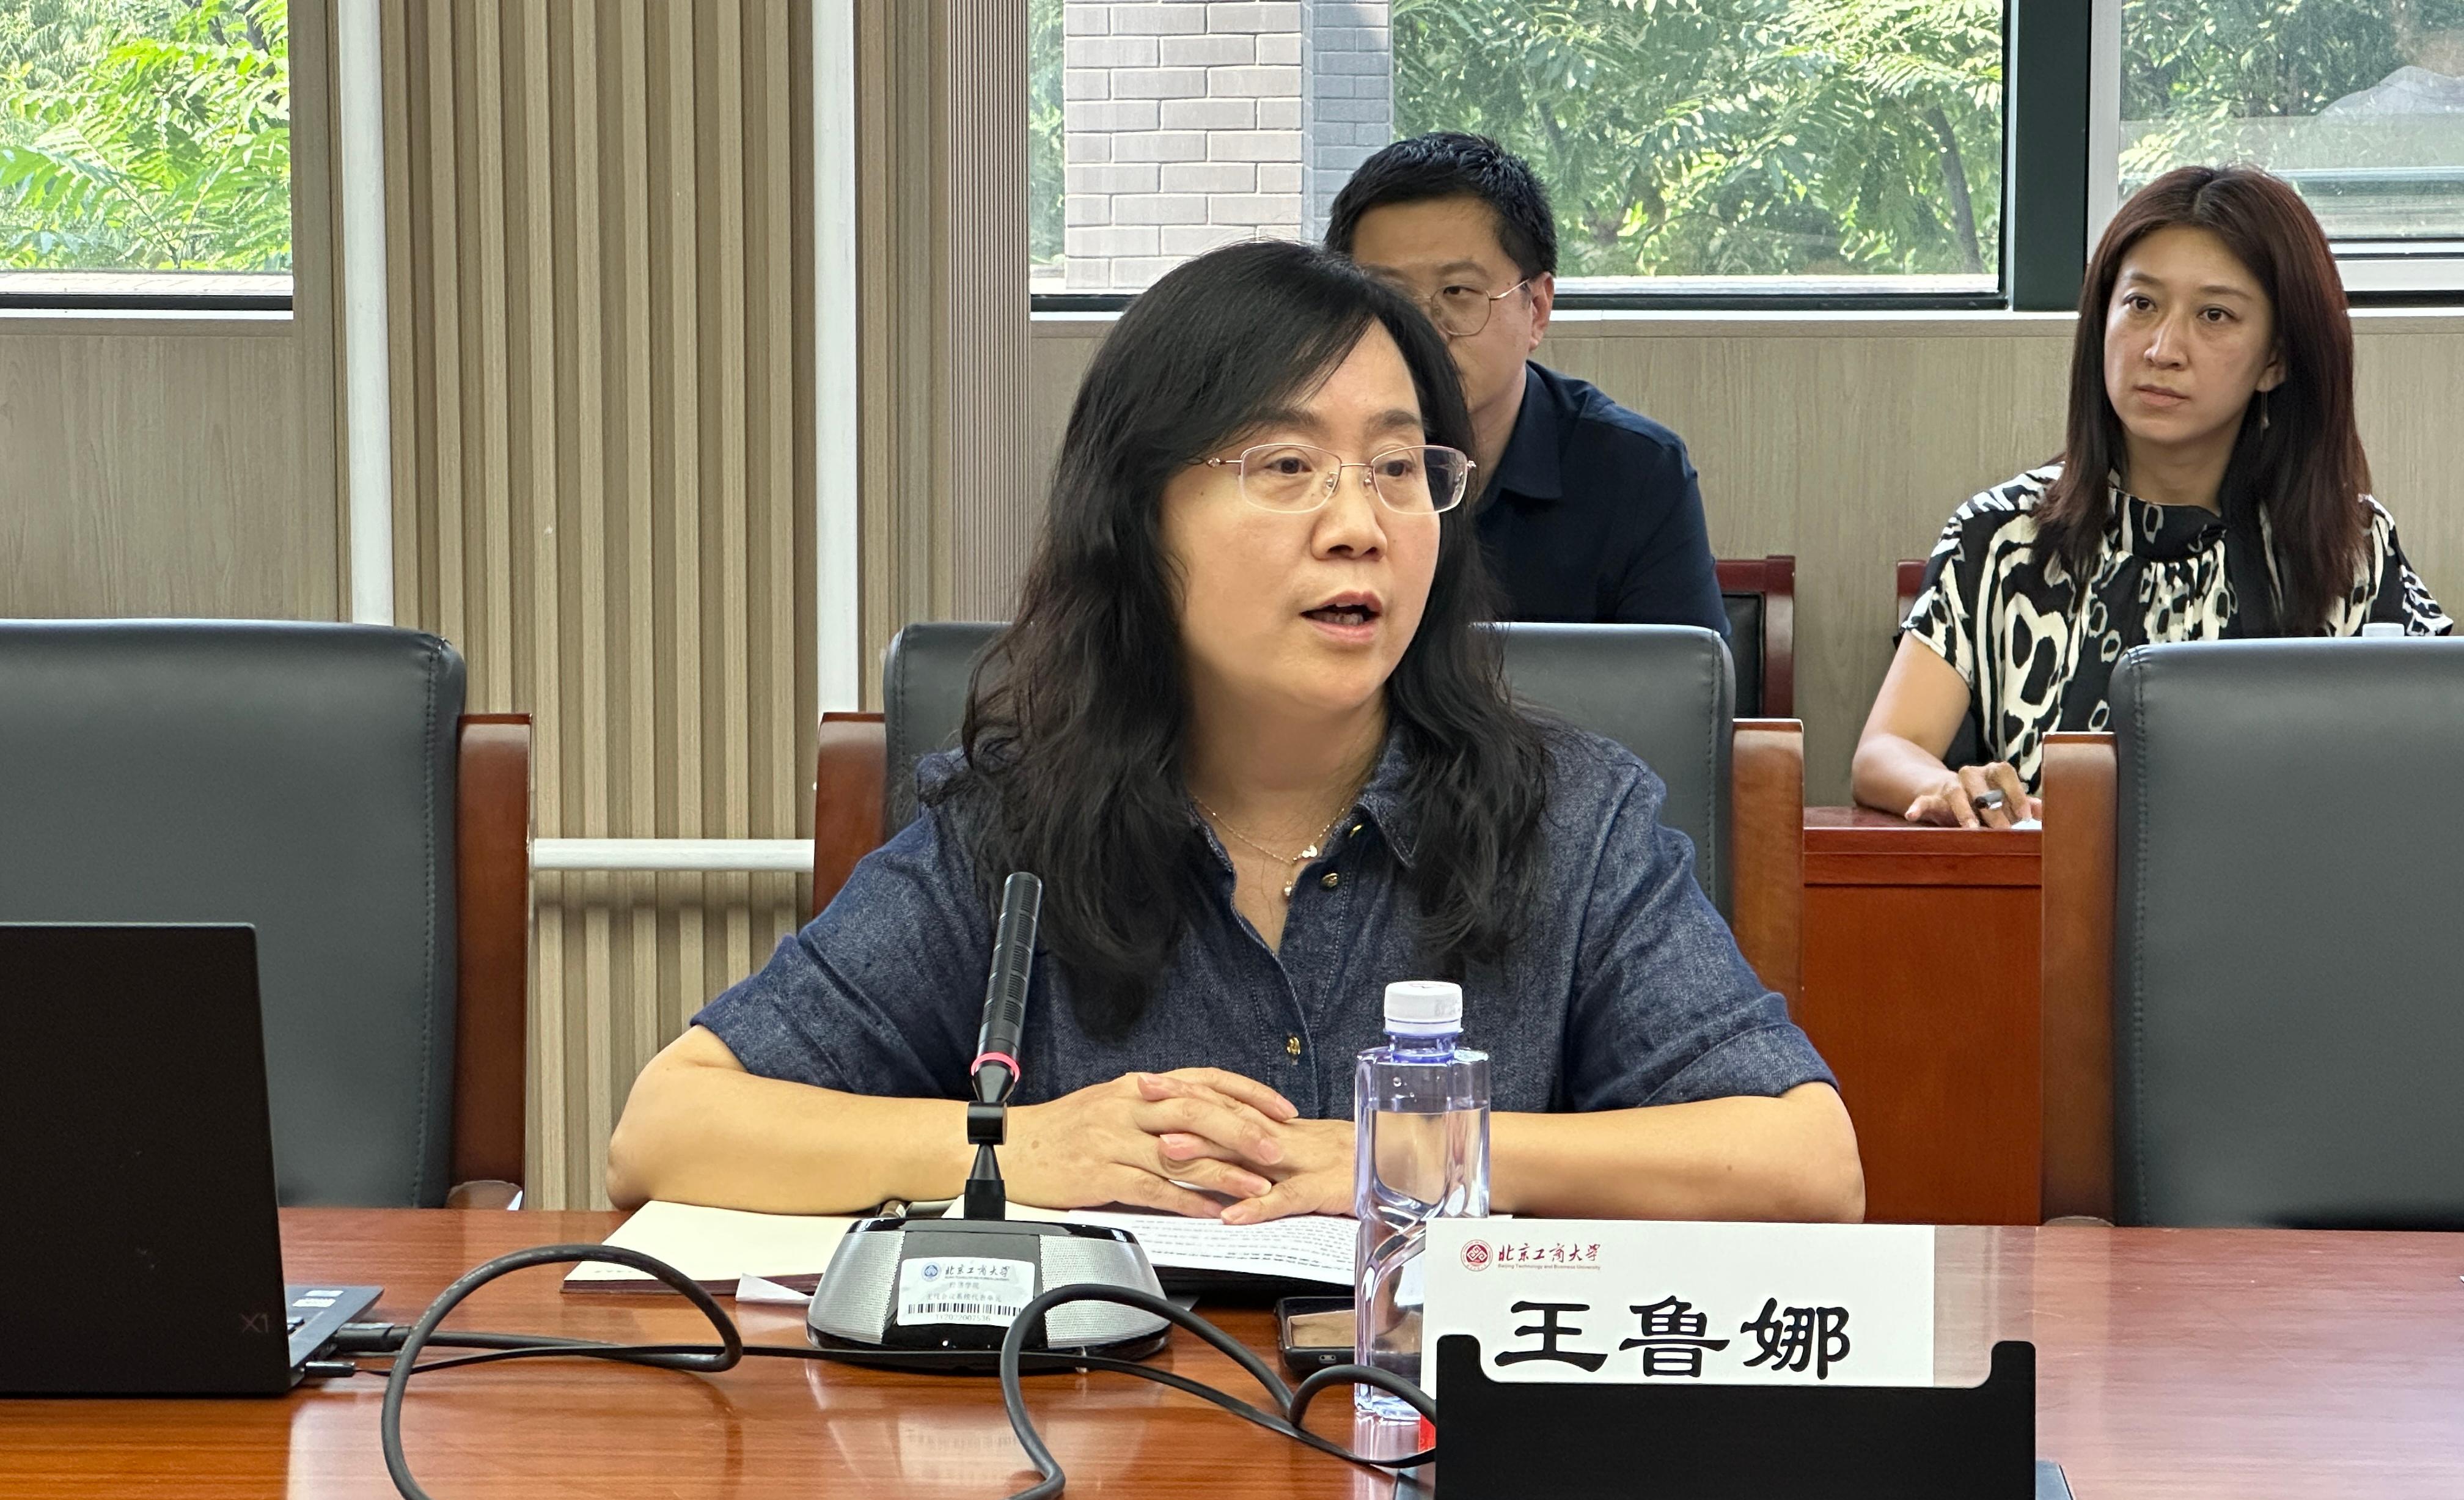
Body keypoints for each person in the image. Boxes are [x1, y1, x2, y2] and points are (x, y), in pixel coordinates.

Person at [609, 241, 1859, 1226]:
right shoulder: (1014, 828)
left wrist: (1404, 1153)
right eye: (1286, 465)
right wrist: (1017, 1143)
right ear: (1138, 516)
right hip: (1100, 1446)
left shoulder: (1568, 817)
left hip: (1438, 1443)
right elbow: (667, 1127)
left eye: (1397, 468)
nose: (1359, 524)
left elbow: (1803, 1160)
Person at [1855, 165, 2451, 828]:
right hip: (2046, 893)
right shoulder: (2001, 536)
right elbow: (1886, 749)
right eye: (2141, 305)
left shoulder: (2347, 544)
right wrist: (1949, 787)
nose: (2163, 349)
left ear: (2276, 359)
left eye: (2215, 315)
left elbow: (2438, 748)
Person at [1324, 133, 1729, 638]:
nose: (1423, 330)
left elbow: (1683, 681)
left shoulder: (1636, 470)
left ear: (1536, 309)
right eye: (1390, 298)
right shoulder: (1302, 461)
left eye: (1458, 291)